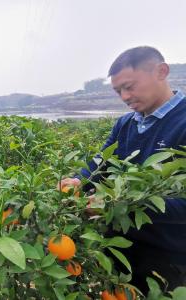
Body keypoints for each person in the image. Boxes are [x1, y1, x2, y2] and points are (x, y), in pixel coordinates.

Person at [59, 46, 186, 293]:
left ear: (161, 71)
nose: (125, 97)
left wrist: (116, 205)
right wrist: (76, 181)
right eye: (118, 91)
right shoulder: (125, 123)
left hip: (167, 255)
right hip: (117, 245)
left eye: (130, 86)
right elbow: (99, 165)